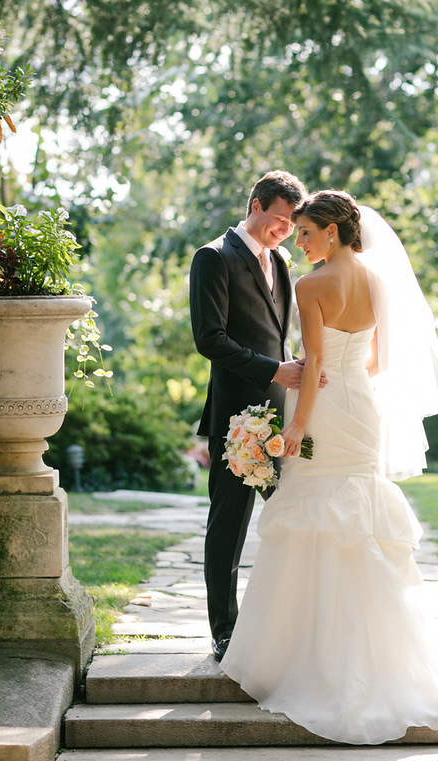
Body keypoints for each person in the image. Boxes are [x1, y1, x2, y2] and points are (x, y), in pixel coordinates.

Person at [220, 190, 438, 744]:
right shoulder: (379, 281)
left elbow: (314, 370)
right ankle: (379, 655)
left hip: (326, 411)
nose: (299, 242)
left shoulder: (311, 286)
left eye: (305, 232)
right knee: (359, 523)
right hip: (363, 408)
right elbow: (378, 358)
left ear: (331, 232)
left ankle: (310, 658)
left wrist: (295, 429)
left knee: (317, 518)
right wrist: (340, 368)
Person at [189, 170, 310, 662]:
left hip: (284, 415)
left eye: (291, 224)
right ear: (256, 205)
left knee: (295, 518)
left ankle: (288, 625)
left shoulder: (279, 261)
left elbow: (277, 334)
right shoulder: (213, 257)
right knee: (229, 525)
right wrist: (273, 371)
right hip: (236, 417)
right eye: (279, 220)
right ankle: (225, 630)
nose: (284, 231)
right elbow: (209, 338)